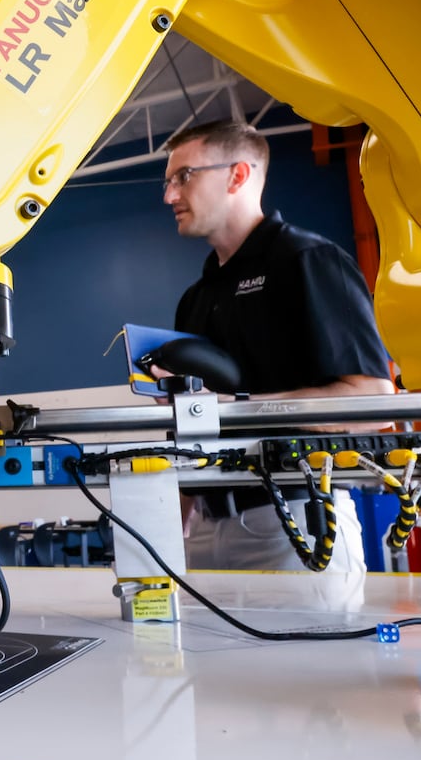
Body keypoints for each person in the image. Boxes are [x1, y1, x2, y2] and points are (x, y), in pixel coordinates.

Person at [158, 119, 393, 575]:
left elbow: (373, 402)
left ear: (238, 175)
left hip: (295, 524)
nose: (169, 196)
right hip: (205, 529)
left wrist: (235, 406)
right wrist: (178, 515)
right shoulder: (196, 298)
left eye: (183, 177)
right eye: (168, 182)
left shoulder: (306, 260)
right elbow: (193, 422)